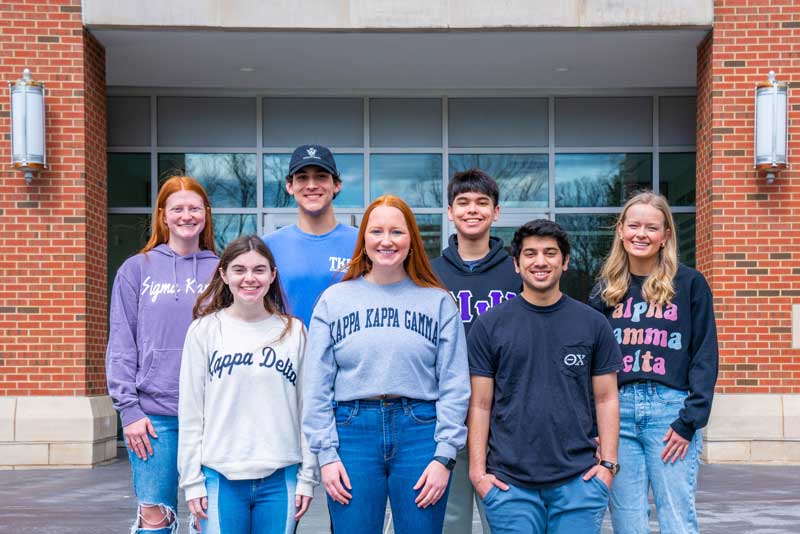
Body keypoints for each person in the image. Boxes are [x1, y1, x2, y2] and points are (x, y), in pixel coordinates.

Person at [303, 195, 471, 534]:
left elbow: (455, 384)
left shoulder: (438, 301)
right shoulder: (334, 300)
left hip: (421, 431)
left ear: (411, 241)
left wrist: (444, 456)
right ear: (363, 240)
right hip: (352, 432)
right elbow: (316, 385)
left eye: (397, 231)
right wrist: (327, 455)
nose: (386, 240)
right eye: (376, 231)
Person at [467, 219, 622, 534]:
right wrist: (478, 473)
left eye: (550, 253)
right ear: (516, 263)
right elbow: (480, 404)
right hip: (510, 486)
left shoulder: (592, 324)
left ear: (564, 262)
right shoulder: (489, 325)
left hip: (579, 482)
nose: (540, 261)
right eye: (530, 253)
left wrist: (608, 465)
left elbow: (607, 398)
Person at [589, 191, 718, 534]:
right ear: (620, 230)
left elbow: (705, 354)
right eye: (633, 225)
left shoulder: (690, 284)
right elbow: (589, 363)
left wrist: (690, 420)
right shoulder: (604, 290)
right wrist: (594, 426)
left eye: (651, 227)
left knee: (677, 519)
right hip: (618, 414)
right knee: (627, 522)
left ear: (666, 236)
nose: (641, 234)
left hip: (670, 414)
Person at [178, 235, 318, 534]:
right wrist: (191, 481)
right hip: (219, 474)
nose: (249, 278)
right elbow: (191, 412)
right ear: (224, 274)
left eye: (259, 269)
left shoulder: (294, 333)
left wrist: (308, 477)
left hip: (280, 475)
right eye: (239, 269)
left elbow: (308, 411)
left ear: (272, 275)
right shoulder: (204, 331)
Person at [106, 176, 218, 534]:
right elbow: (122, 341)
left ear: (206, 214)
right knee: (155, 517)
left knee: (210, 517)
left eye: (194, 208)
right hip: (154, 417)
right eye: (178, 209)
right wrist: (129, 409)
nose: (187, 216)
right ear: (163, 216)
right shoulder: (136, 269)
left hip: (213, 415)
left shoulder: (223, 269)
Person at [430, 168, 519, 534]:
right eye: (463, 202)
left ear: (496, 212)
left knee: (504, 519)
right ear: (449, 211)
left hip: (504, 419)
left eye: (482, 203)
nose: (472, 210)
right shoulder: (429, 275)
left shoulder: (518, 272)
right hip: (446, 416)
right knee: (450, 522)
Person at [263, 144, 358, 327]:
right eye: (303, 178)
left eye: (321, 177)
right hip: (287, 353)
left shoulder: (361, 243)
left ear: (336, 185)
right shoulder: (268, 246)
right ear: (290, 186)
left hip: (345, 354)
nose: (312, 185)